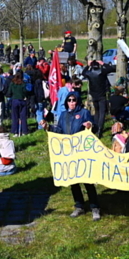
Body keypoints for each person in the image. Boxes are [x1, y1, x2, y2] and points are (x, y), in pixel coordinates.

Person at [43, 92, 101, 220]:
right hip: (69, 152)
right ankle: (79, 205)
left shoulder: (84, 112)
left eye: (74, 100)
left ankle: (94, 207)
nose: (71, 102)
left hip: (82, 152)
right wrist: (49, 127)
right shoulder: (64, 115)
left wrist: (90, 126)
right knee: (73, 181)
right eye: (69, 100)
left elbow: (95, 128)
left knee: (87, 181)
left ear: (78, 101)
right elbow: (59, 130)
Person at [82, 60, 113, 136]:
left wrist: (87, 65)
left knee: (96, 112)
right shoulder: (102, 72)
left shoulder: (90, 73)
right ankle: (99, 129)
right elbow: (111, 68)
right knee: (102, 113)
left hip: (94, 94)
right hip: (102, 94)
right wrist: (103, 63)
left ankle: (95, 128)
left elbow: (83, 72)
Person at [6, 71, 30, 137]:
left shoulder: (12, 83)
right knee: (23, 117)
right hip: (22, 101)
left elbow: (9, 92)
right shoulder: (23, 84)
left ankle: (15, 131)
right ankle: (24, 131)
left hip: (14, 101)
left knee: (15, 117)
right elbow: (25, 92)